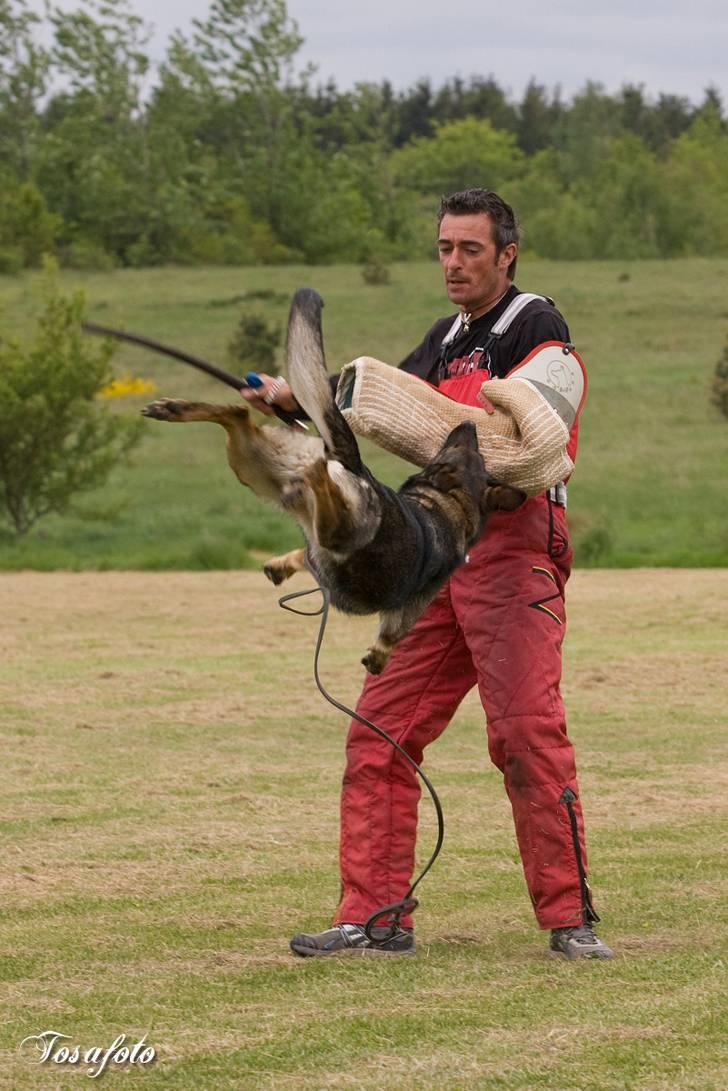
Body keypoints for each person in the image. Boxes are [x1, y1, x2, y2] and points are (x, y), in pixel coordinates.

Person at [242, 188, 614, 961]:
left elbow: (530, 435)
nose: (453, 262)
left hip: (514, 550)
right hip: (439, 557)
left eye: (470, 249)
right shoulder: (442, 338)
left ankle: (569, 918)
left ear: (506, 254)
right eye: (444, 248)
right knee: (380, 728)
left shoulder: (533, 322)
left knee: (523, 734)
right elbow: (385, 411)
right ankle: (373, 916)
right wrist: (295, 404)